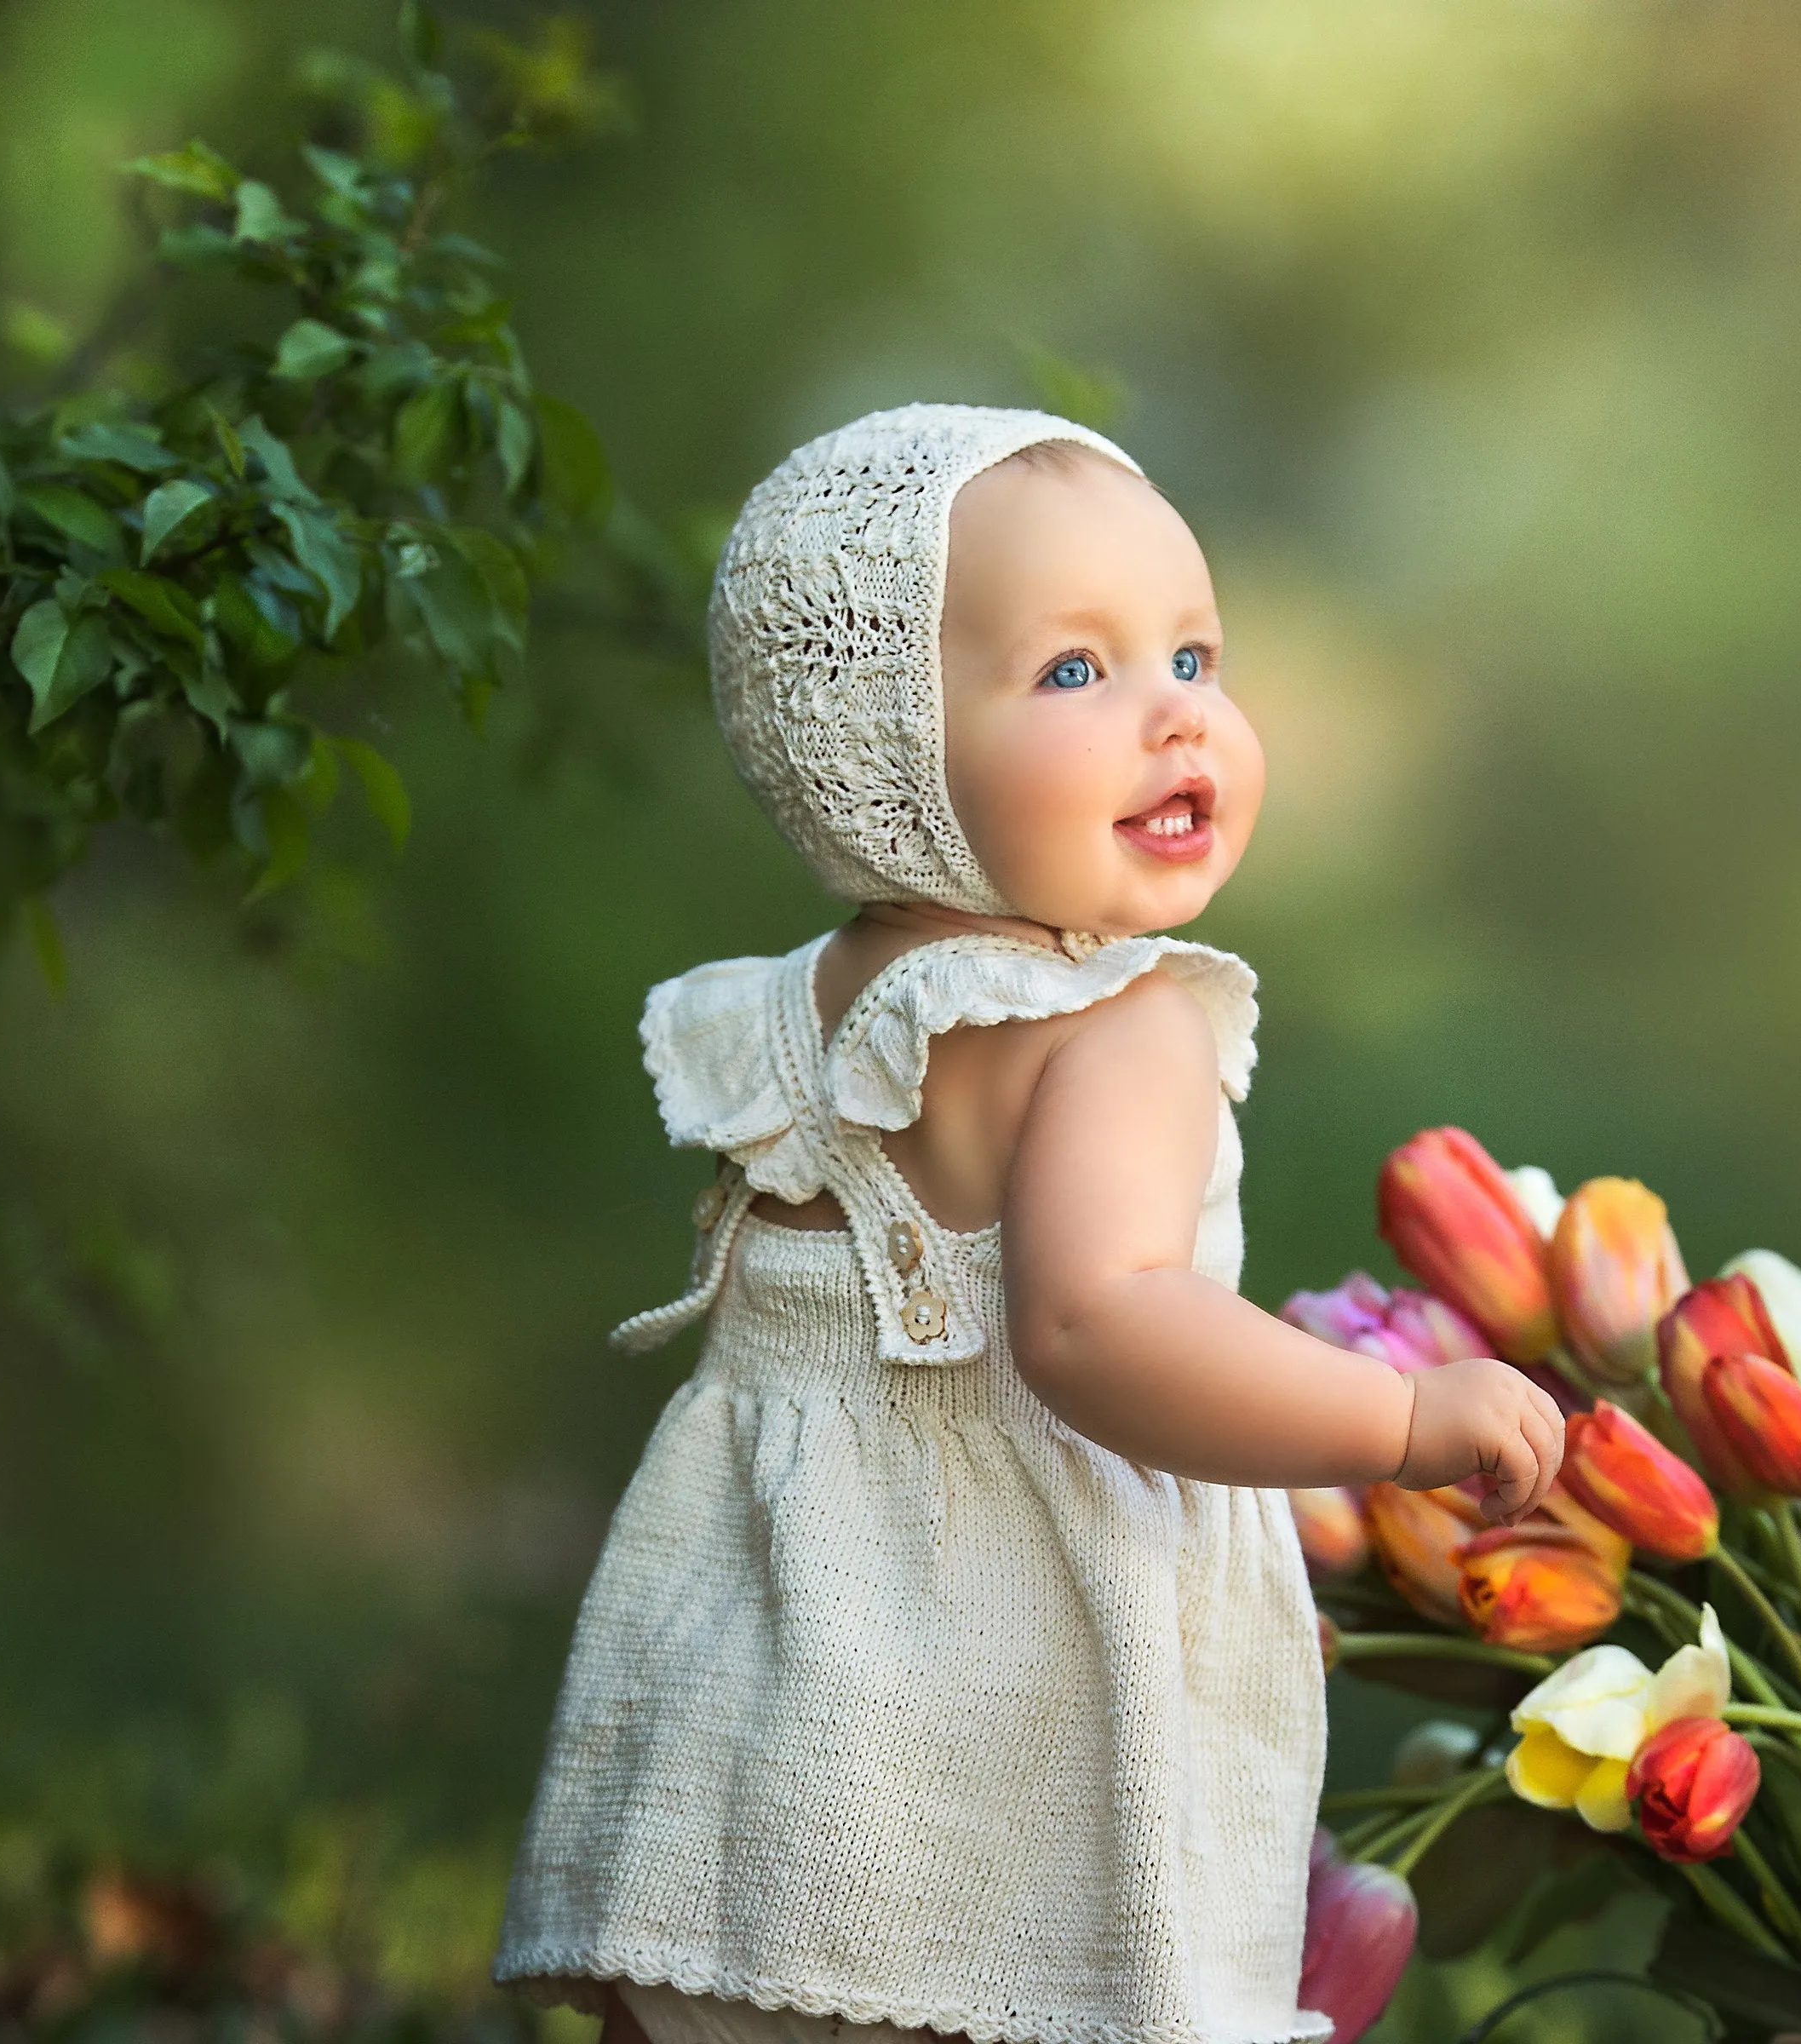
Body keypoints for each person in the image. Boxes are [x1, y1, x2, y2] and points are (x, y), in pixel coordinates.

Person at [492, 404, 1567, 2044]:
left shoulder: (809, 1010)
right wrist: (1400, 1416)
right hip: (1014, 1722)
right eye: (1077, 675)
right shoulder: (1125, 1026)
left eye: (1195, 660)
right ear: (884, 752)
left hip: (768, 1729)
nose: (1173, 721)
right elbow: (1095, 1325)